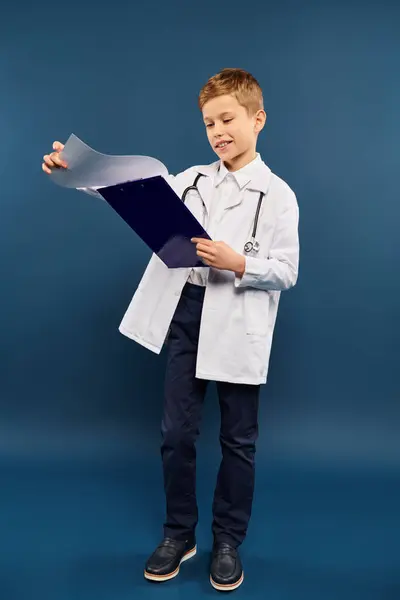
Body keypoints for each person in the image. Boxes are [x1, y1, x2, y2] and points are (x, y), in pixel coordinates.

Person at [42, 67, 300, 592]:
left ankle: (227, 542)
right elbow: (129, 192)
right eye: (209, 123)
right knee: (176, 434)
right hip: (187, 315)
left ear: (259, 119)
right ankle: (179, 534)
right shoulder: (192, 179)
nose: (218, 131)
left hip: (239, 319)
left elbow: (288, 271)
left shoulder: (278, 196)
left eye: (228, 119)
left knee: (239, 440)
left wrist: (239, 263)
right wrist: (74, 172)